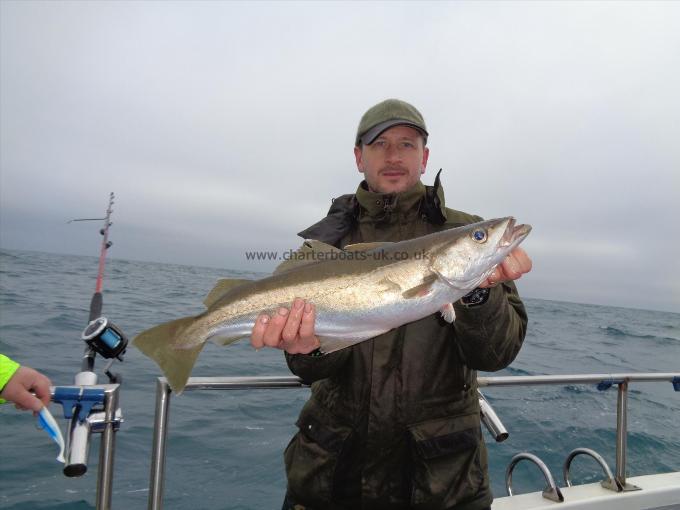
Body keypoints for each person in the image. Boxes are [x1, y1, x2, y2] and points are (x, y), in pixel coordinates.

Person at [250, 99, 532, 510]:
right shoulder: (322, 247)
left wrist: (476, 291)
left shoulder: (464, 232)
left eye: (408, 144)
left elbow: (495, 354)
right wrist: (304, 348)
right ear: (358, 157)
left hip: (442, 485)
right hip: (333, 479)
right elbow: (309, 369)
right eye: (380, 144)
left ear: (425, 157)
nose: (394, 155)